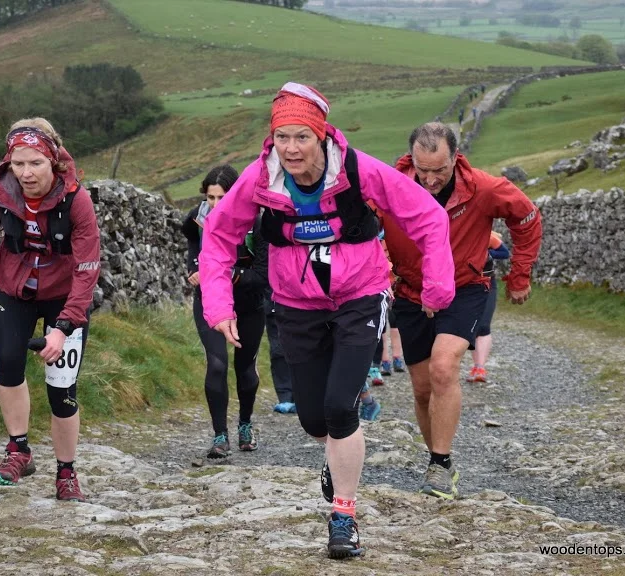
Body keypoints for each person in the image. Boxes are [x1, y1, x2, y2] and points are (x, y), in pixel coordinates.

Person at [198, 83, 455, 559]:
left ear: (321, 136)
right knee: (314, 418)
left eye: (302, 137)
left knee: (340, 408)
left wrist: (437, 287)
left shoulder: (358, 169)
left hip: (361, 294)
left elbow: (427, 217)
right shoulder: (261, 178)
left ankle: (344, 515)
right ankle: (338, 458)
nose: (291, 149)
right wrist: (219, 305)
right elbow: (217, 237)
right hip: (296, 303)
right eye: (282, 138)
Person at [384, 122, 542, 500]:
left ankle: (439, 464)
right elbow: (360, 227)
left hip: (464, 288)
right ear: (412, 160)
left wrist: (519, 275)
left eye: (439, 169)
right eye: (423, 169)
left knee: (443, 367)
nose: (431, 178)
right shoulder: (390, 186)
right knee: (422, 390)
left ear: (456, 158)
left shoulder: (485, 188)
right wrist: (381, 264)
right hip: (410, 292)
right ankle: (440, 461)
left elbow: (527, 218)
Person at [0, 118, 101, 502]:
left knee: (62, 389)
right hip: (12, 285)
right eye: (18, 163)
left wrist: (64, 326)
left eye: (35, 162)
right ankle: (18, 450)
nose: (26, 172)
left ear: (52, 161)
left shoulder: (77, 200)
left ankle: (66, 474)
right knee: (7, 364)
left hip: (64, 294)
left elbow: (87, 269)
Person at [182, 165, 268, 459]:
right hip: (209, 302)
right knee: (216, 364)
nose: (216, 205)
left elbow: (263, 275)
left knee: (245, 368)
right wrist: (195, 268)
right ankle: (220, 436)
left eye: (223, 198)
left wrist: (227, 274)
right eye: (210, 198)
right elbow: (192, 241)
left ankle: (245, 424)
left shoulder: (257, 224)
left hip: (249, 304)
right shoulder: (196, 217)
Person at [466, 231, 510, 383]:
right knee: (474, 327)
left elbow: (505, 253)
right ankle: (475, 366)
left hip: (488, 284)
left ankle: (480, 368)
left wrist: (485, 253)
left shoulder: (486, 236)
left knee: (484, 326)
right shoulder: (456, 233)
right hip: (466, 286)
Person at [266, 293, 297, 414]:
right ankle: (285, 397)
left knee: (301, 349)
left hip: (302, 302)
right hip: (273, 302)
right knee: (278, 350)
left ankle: (303, 396)